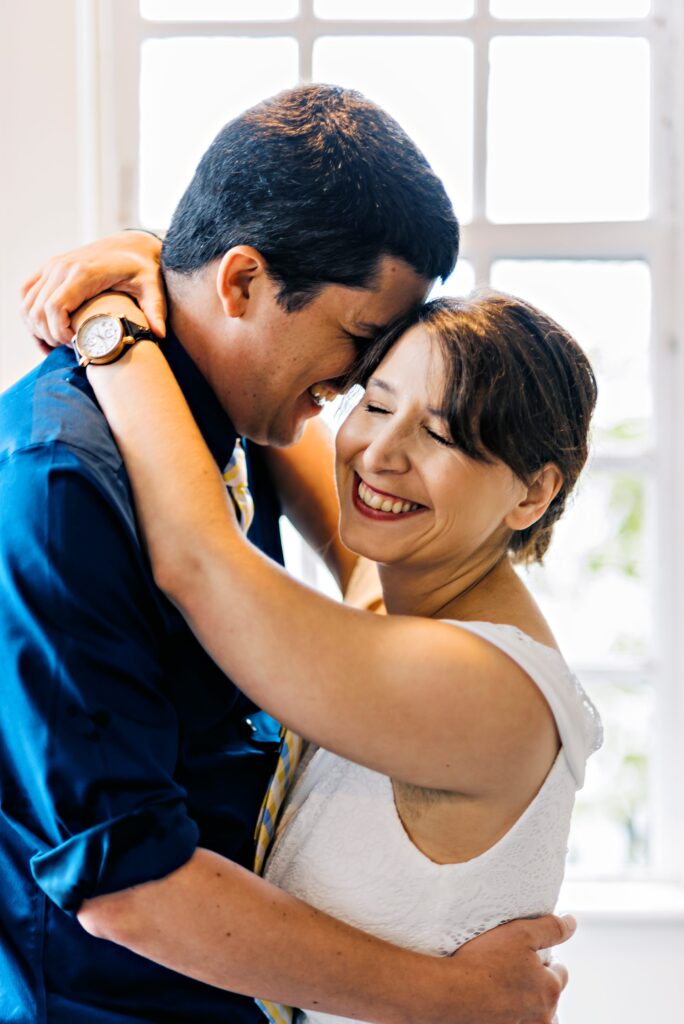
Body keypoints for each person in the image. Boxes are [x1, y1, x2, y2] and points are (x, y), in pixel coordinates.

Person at [1, 84, 575, 1024]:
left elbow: (219, 554)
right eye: (362, 350)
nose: (353, 401)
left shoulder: (240, 413)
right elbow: (123, 880)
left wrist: (133, 285)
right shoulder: (66, 482)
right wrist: (449, 998)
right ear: (240, 284)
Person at [68, 290, 600, 1024]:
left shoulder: (477, 688)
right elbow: (285, 434)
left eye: (442, 437)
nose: (382, 453)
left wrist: (112, 331)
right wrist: (157, 264)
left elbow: (200, 565)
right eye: (376, 406)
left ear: (533, 493)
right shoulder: (411, 611)